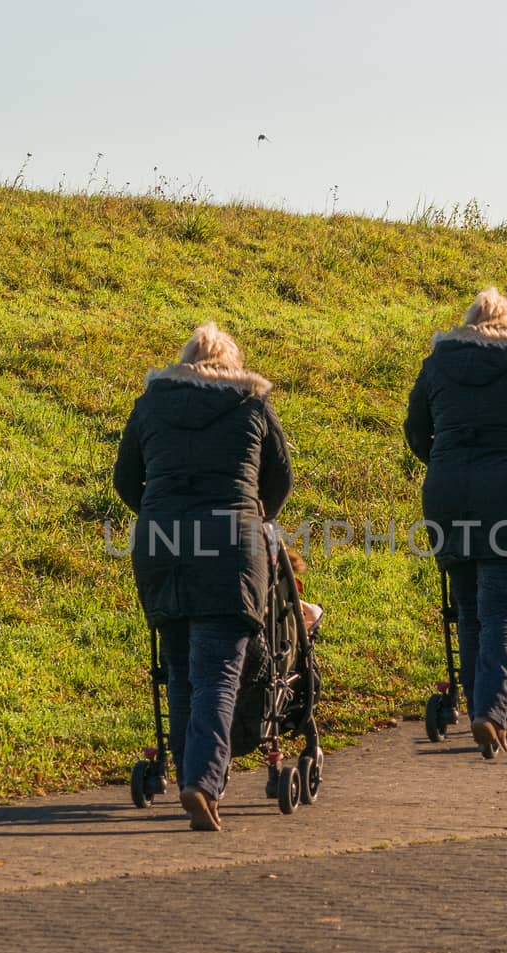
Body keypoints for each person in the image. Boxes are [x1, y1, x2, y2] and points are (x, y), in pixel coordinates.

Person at [113, 323, 292, 831]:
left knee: (180, 669)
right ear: (232, 365)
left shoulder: (150, 404)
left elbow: (126, 479)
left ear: (184, 361)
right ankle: (202, 781)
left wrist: (158, 514)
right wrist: (256, 521)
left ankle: (192, 771)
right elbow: (279, 480)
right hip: (230, 544)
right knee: (218, 672)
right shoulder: (250, 404)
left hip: (161, 545)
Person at [404, 288, 507, 756]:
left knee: (470, 608)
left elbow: (417, 431)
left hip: (449, 493)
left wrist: (443, 459)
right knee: (504, 610)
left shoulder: (437, 363)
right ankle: (491, 712)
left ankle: (482, 705)